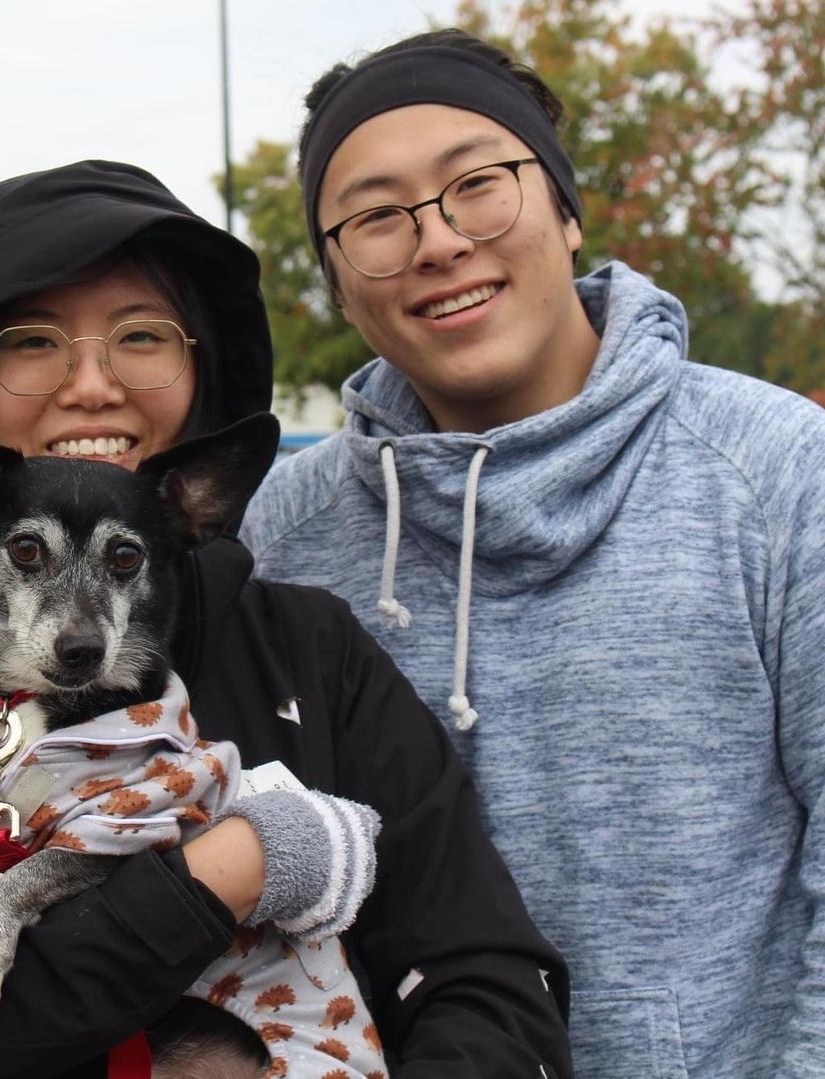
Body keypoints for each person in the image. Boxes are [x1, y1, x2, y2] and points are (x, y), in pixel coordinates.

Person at [0, 159, 574, 1078]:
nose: (93, 383)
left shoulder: (313, 647)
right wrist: (226, 872)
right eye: (33, 341)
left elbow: (485, 977)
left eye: (141, 335)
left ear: (201, 366)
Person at [241, 26, 825, 1079]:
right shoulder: (284, 534)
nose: (439, 242)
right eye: (377, 217)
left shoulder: (779, 476)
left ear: (564, 207)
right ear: (336, 278)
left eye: (479, 184)